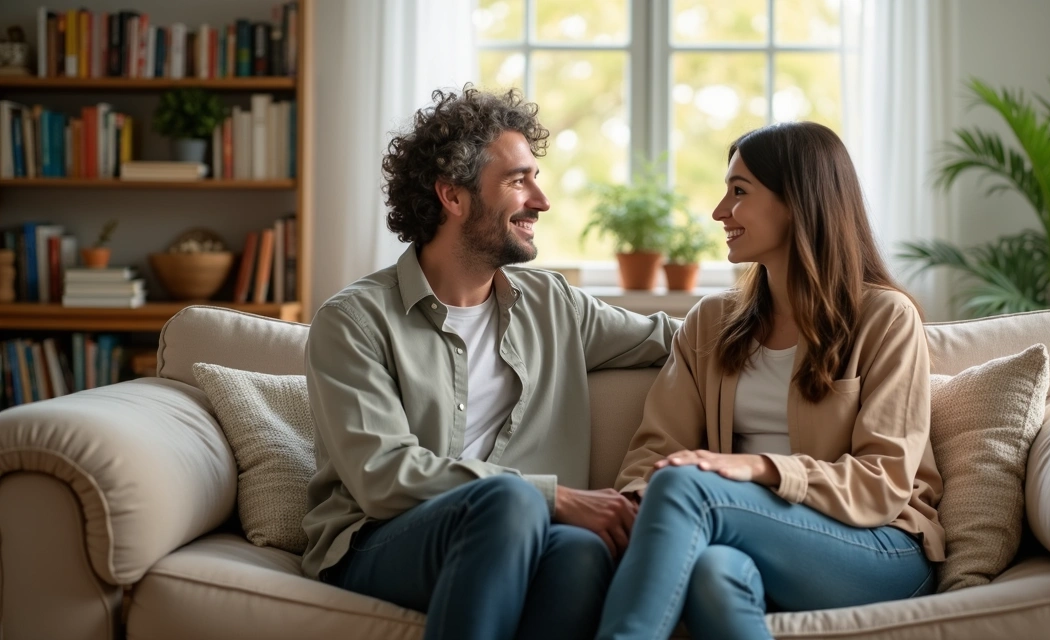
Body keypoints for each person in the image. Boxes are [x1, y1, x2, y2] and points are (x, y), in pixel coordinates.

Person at [301, 85, 679, 640]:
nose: (542, 201)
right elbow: (383, 478)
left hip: (531, 534)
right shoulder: (354, 322)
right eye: (518, 180)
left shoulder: (555, 306)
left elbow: (679, 338)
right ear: (453, 198)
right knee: (510, 500)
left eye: (536, 178)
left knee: (580, 551)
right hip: (381, 540)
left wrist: (804, 316)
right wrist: (556, 496)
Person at [595, 121, 945, 640]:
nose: (719, 212)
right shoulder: (711, 323)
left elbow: (883, 481)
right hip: (744, 536)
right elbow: (653, 454)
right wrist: (640, 506)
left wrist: (756, 468)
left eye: (739, 192)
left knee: (689, 487)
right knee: (714, 573)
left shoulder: (885, 318)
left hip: (878, 545)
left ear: (798, 202)